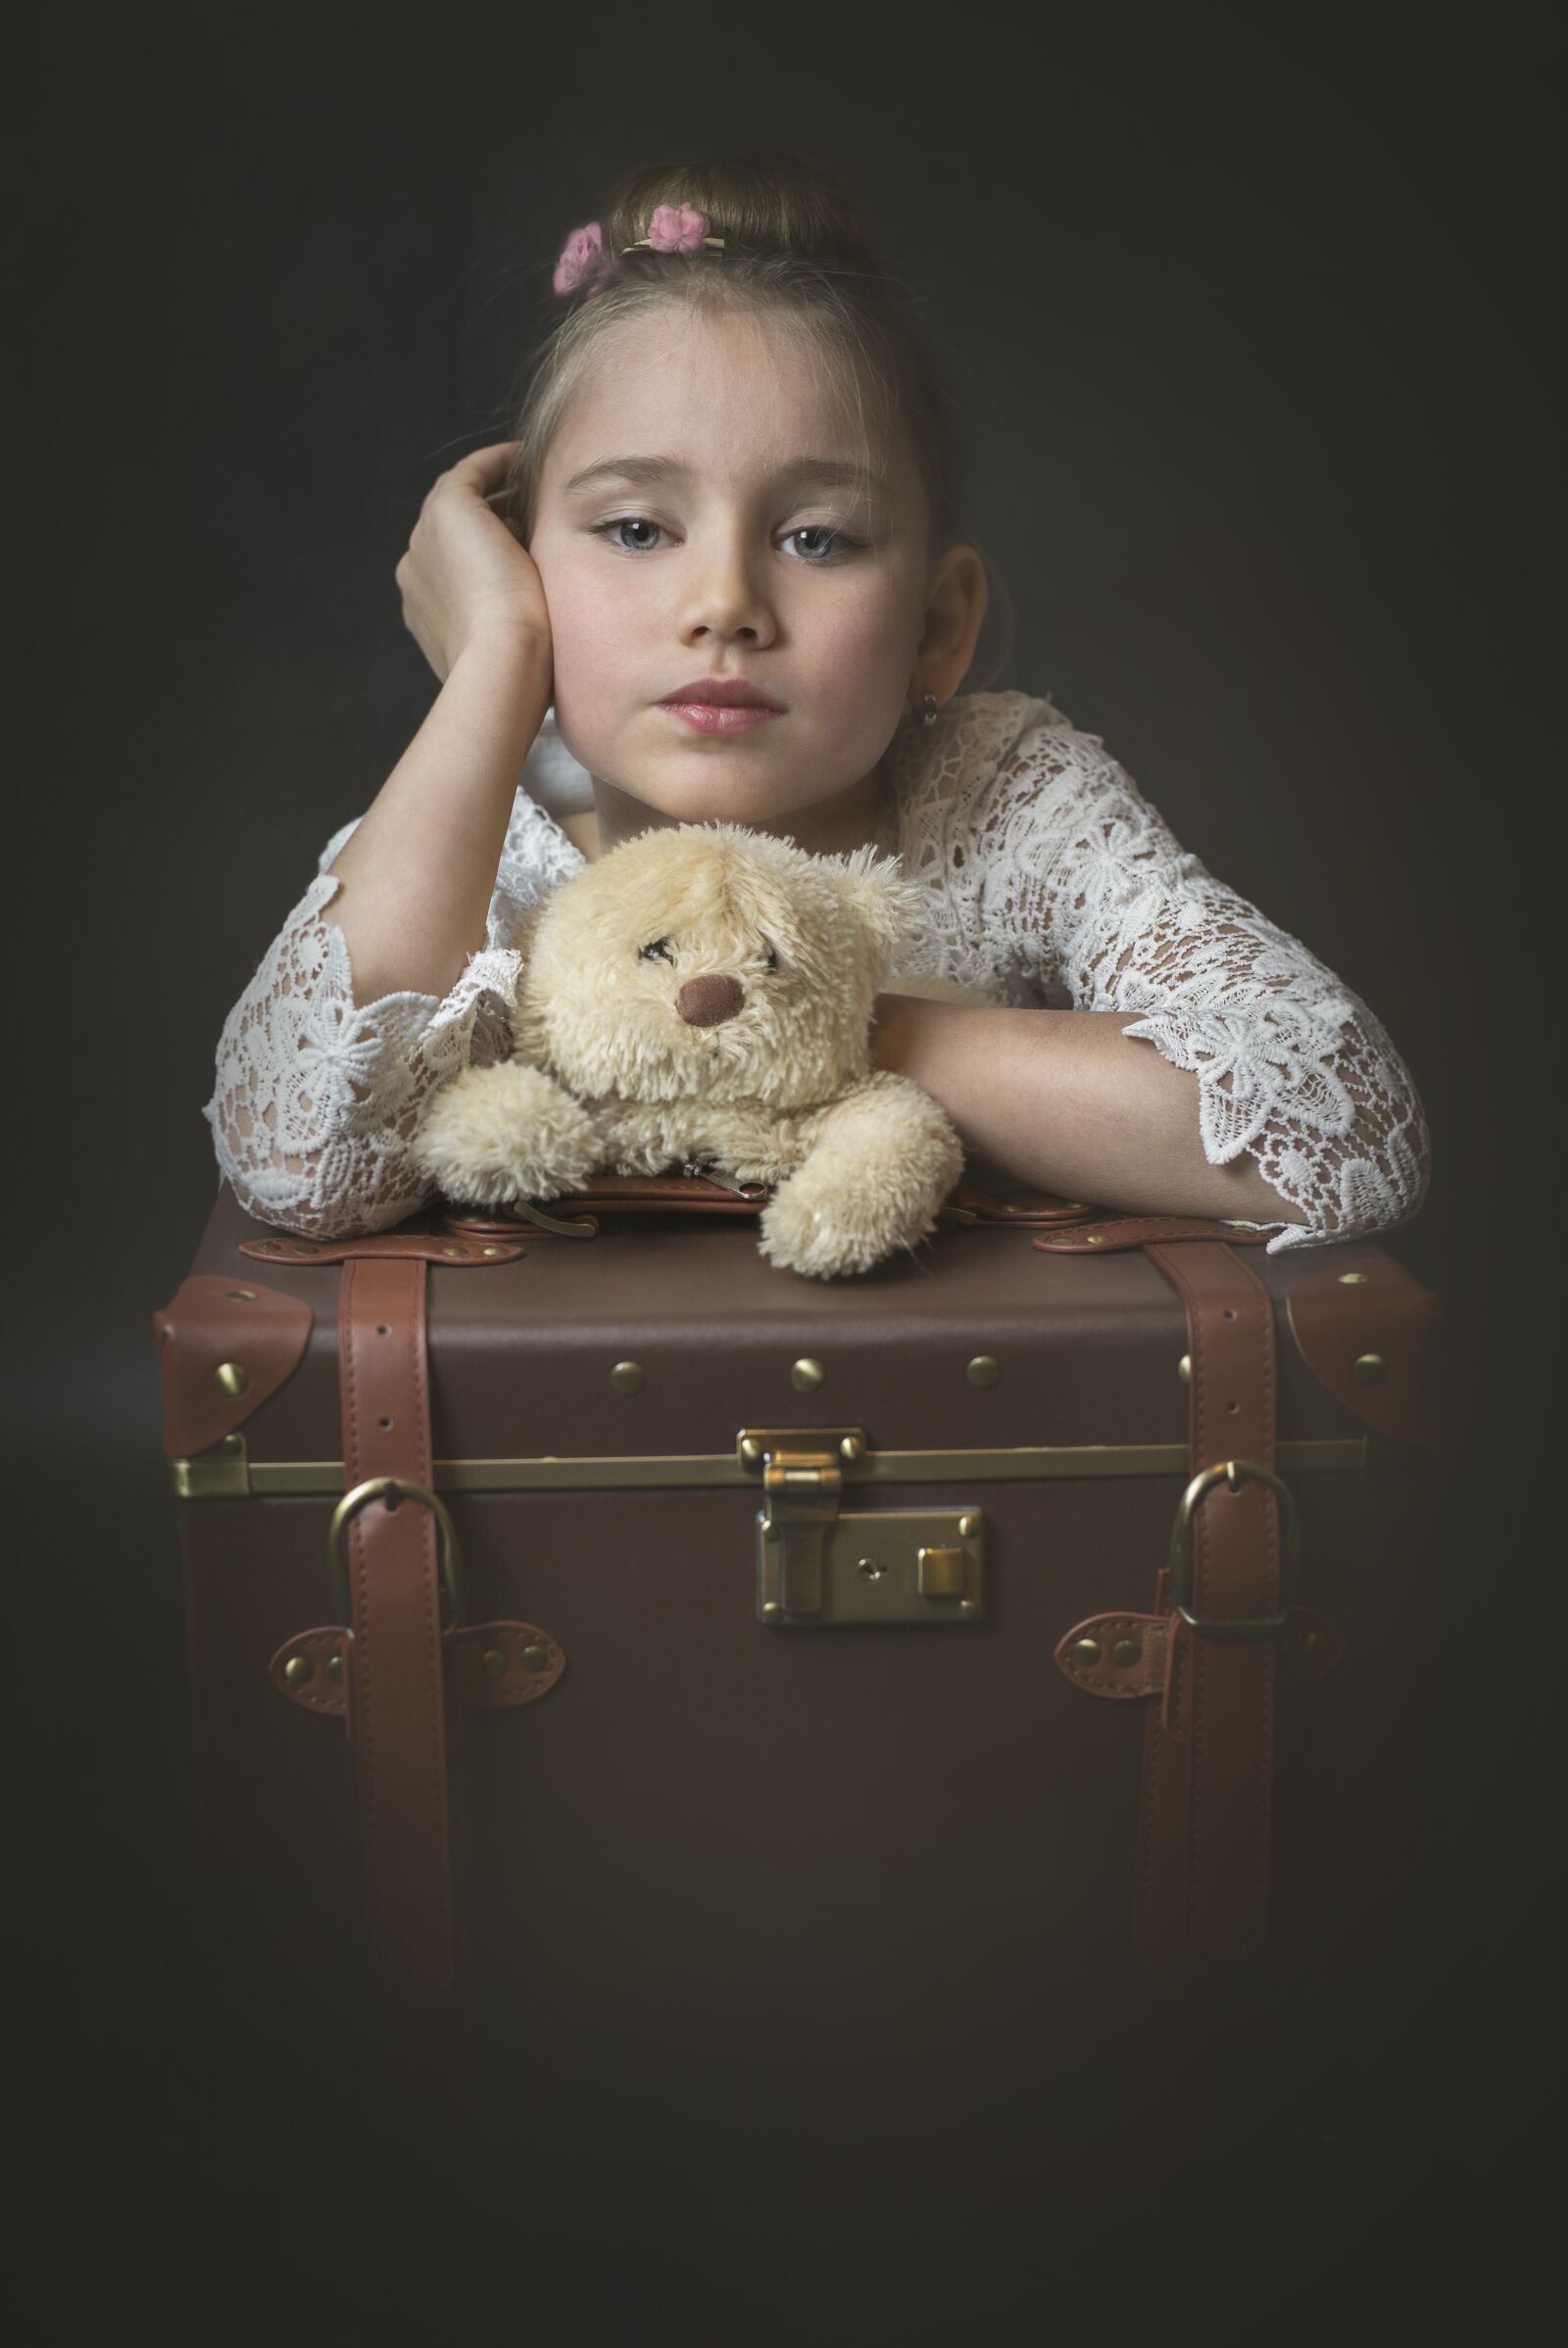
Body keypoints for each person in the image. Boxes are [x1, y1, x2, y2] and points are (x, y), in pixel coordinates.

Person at [204, 154, 1429, 1252]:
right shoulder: (488, 829)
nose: (725, 602)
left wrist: (819, 1020)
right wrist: (492, 669)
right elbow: (301, 1157)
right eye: (636, 528)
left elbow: (1343, 1131)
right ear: (523, 571)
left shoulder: (1003, 795)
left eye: (817, 538)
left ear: (937, 627)